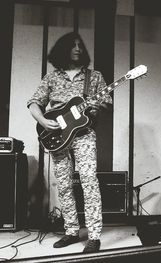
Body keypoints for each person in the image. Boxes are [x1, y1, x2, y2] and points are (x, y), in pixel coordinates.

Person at [27, 32, 112, 253]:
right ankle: (72, 230)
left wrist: (97, 106)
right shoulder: (52, 77)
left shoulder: (94, 77)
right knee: (64, 185)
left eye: (80, 45)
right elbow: (34, 104)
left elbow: (106, 103)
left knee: (89, 182)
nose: (78, 48)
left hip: (84, 134)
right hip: (57, 136)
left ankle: (94, 236)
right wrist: (44, 121)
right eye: (73, 45)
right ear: (63, 49)